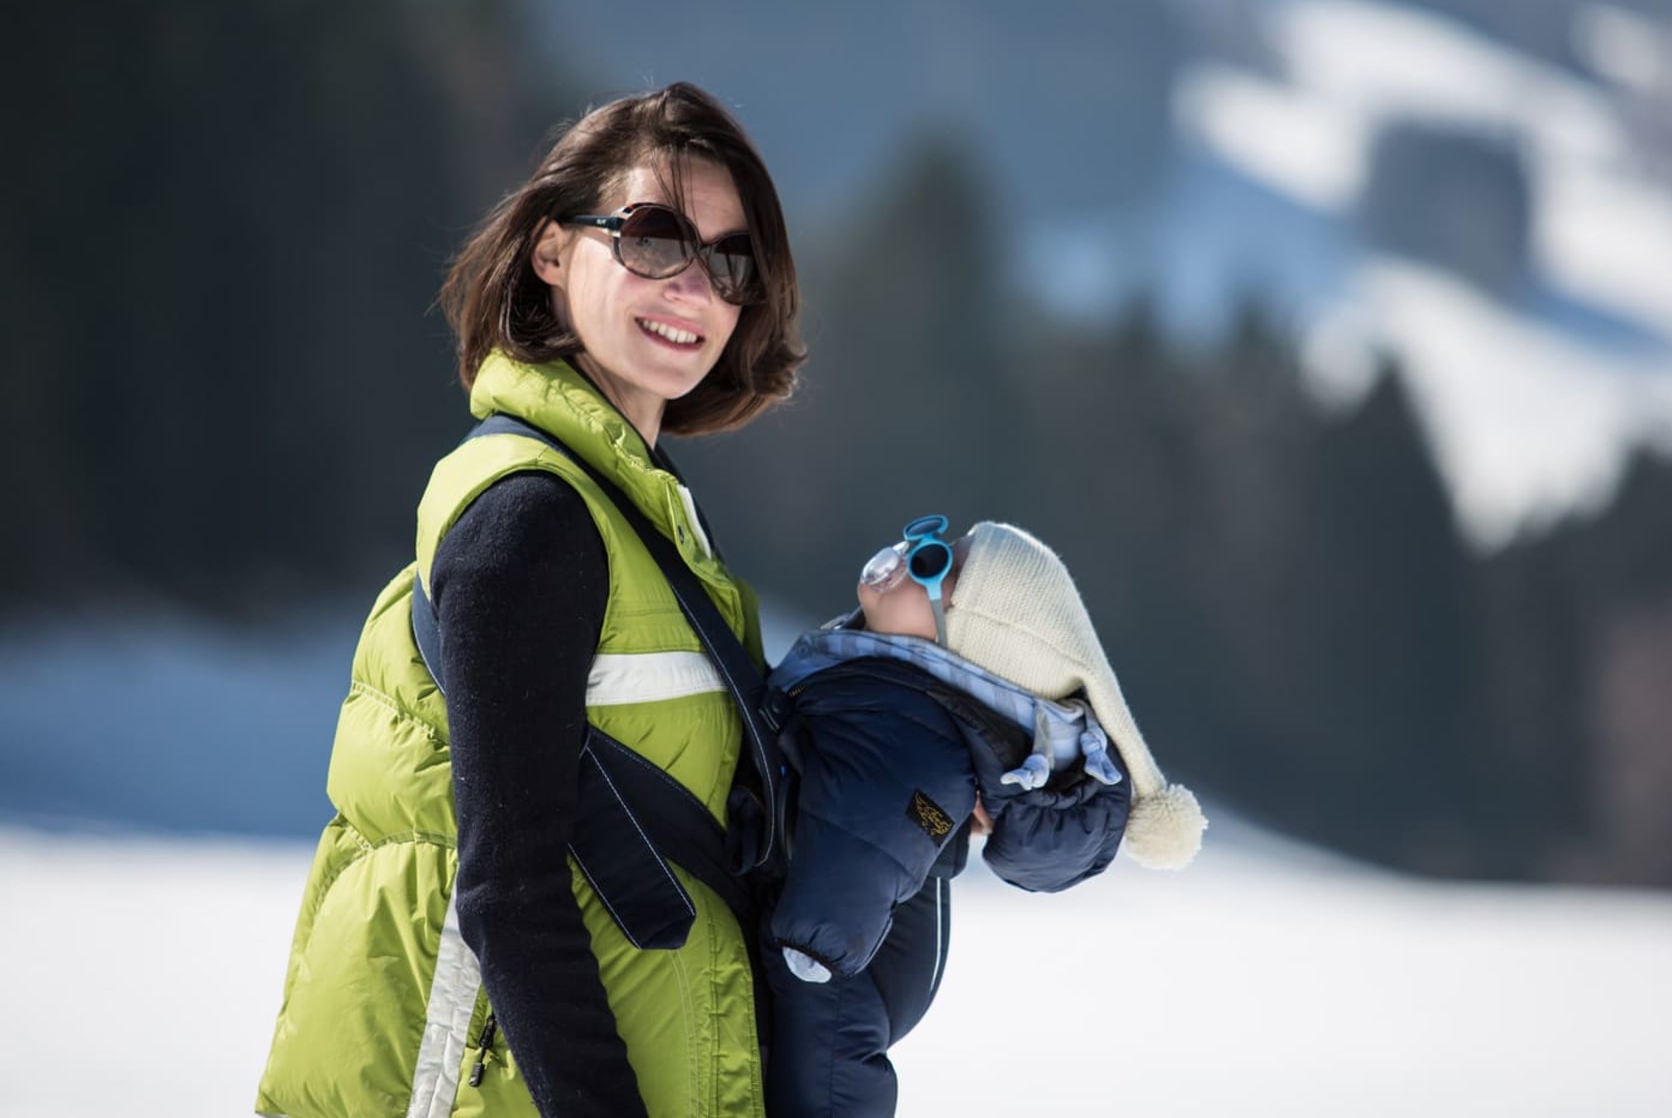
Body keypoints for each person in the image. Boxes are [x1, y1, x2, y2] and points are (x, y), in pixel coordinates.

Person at [257, 82, 803, 1118]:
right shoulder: (533, 521)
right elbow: (510, 894)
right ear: (553, 252)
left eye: (730, 262)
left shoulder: (640, 520)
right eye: (654, 238)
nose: (694, 286)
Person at [759, 516, 1206, 1116]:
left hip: (843, 979)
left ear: (960, 645)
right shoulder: (887, 698)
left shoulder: (907, 739)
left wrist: (805, 955)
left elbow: (849, 883)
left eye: (933, 566)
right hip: (855, 955)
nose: (907, 553)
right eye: (927, 541)